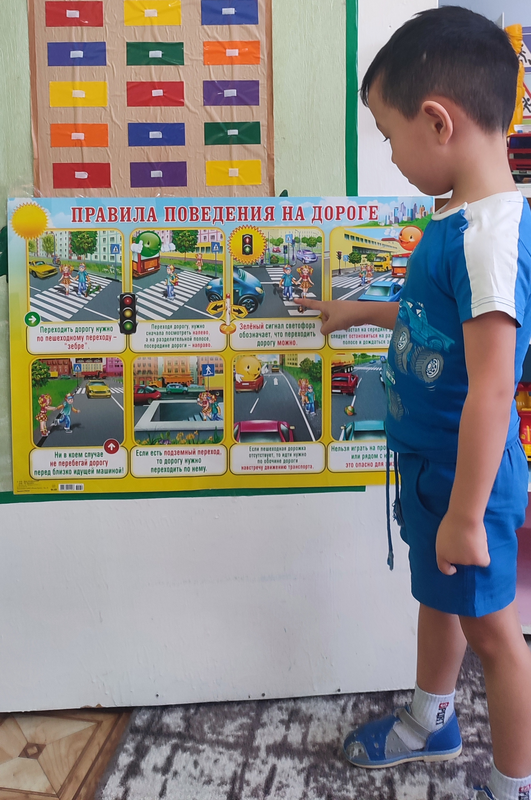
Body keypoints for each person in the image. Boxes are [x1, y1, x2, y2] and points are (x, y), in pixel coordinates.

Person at [300, 8, 531, 800]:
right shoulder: (459, 219)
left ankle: (510, 784)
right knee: (438, 600)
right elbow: (434, 320)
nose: (392, 157)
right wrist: (359, 313)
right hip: (433, 468)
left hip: (465, 481)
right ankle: (429, 721)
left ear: (437, 121)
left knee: (494, 637)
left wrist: (465, 513)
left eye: (388, 135)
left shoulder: (487, 238)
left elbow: (493, 386)